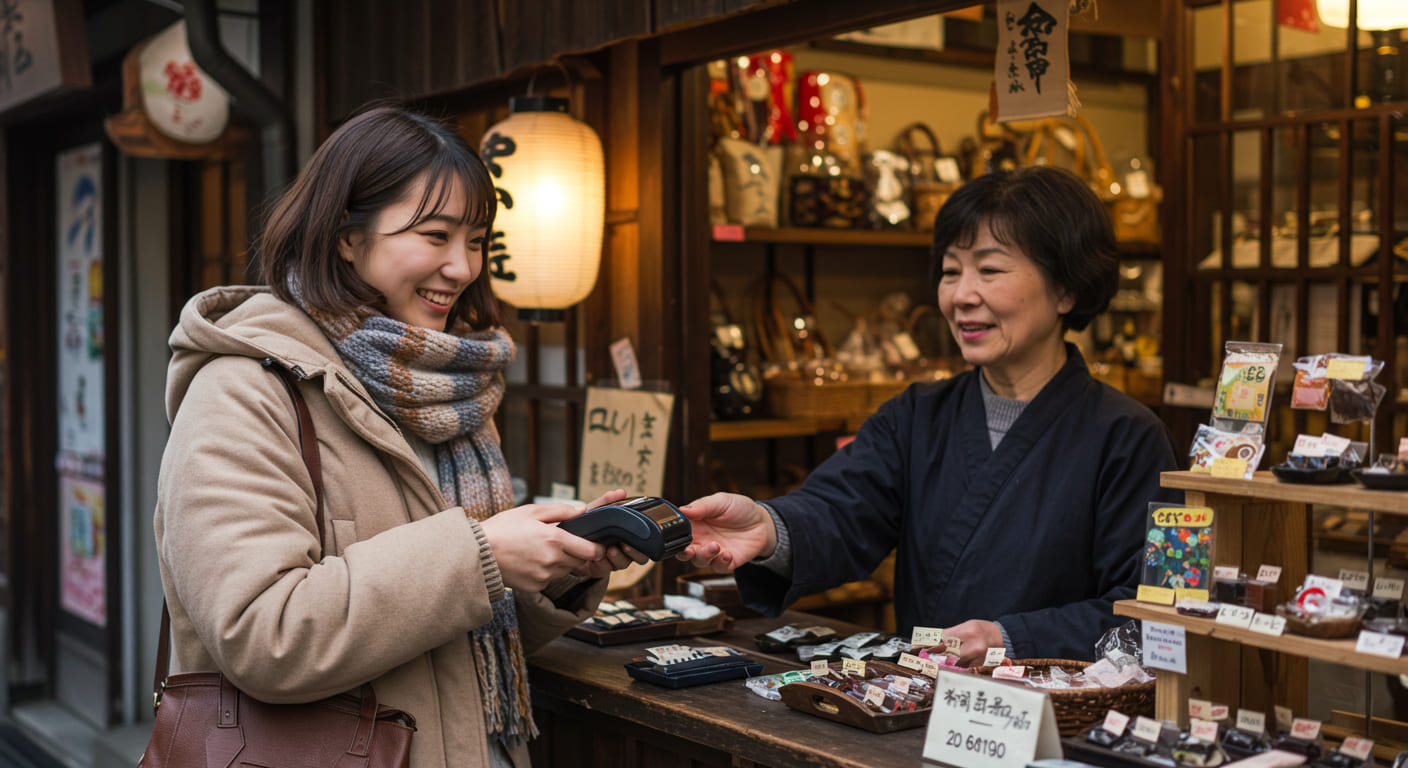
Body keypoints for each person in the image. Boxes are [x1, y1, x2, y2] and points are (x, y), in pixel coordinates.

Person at [153, 105, 643, 768]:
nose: (464, 266)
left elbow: (458, 638)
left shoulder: (447, 392)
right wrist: (482, 556)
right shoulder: (244, 390)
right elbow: (262, 636)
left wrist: (557, 571)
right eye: (435, 235)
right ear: (346, 237)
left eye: (475, 240)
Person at [678, 165, 1180, 664]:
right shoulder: (916, 416)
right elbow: (840, 510)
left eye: (989, 269)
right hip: (919, 712)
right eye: (950, 270)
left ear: (1067, 289)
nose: (961, 296)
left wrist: (1010, 638)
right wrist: (767, 527)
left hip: (1058, 723)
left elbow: (1148, 613)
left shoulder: (1128, 438)